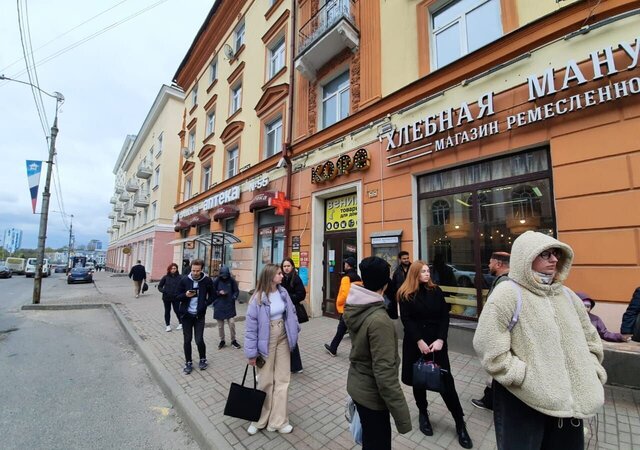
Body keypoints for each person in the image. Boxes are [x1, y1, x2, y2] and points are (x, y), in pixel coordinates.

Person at [474, 231, 606, 450]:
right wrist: (521, 377)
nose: (554, 259)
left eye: (555, 254)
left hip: (569, 408)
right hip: (522, 401)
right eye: (545, 254)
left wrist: (592, 371)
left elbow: (591, 338)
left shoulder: (568, 296)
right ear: (526, 257)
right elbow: (488, 344)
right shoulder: (508, 293)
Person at [398, 260, 472, 449]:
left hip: (437, 345)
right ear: (415, 274)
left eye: (428, 271)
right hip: (416, 344)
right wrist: (419, 341)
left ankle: (459, 422)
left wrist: (440, 339)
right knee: (418, 380)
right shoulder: (405, 294)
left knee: (446, 383)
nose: (427, 274)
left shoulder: (436, 291)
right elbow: (406, 320)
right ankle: (423, 414)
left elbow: (444, 316)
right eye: (423, 271)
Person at [344, 256, 411, 448]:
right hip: (373, 397)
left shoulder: (358, 305)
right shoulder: (379, 320)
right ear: (384, 284)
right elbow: (385, 374)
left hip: (358, 387)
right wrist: (403, 418)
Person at [245, 264, 300, 435]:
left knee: (283, 379)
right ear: (270, 276)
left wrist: (295, 328)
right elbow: (250, 329)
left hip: (283, 337)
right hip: (265, 341)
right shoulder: (257, 298)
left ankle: (278, 421)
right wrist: (251, 353)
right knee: (265, 380)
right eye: (278, 273)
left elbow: (291, 312)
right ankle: (259, 420)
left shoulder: (283, 293)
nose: (282, 275)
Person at [471, 252, 510, 411]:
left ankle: (492, 401)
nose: (488, 265)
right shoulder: (504, 280)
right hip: (500, 334)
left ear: (499, 264)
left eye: (490, 262)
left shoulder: (505, 283)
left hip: (500, 334)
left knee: (497, 367)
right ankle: (490, 398)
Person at [176, 259, 215, 375]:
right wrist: (185, 295)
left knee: (199, 340)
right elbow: (177, 296)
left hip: (199, 316)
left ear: (201, 269)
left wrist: (205, 304)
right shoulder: (184, 280)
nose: (195, 273)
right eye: (193, 270)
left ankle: (203, 359)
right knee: (187, 340)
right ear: (191, 269)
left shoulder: (207, 280)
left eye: (197, 271)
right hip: (186, 315)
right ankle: (188, 362)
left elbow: (213, 295)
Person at [324, 257, 361, 357]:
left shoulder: (346, 278)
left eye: (345, 264)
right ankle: (333, 348)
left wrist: (339, 303)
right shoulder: (358, 277)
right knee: (345, 330)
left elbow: (344, 295)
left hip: (346, 308)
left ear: (348, 265)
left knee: (342, 330)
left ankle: (334, 349)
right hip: (355, 306)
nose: (344, 265)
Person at [281, 257, 306, 374]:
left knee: (292, 337)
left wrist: (288, 298)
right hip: (282, 311)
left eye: (288, 266)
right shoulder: (281, 278)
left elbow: (301, 294)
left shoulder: (296, 278)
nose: (286, 268)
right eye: (284, 266)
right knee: (285, 338)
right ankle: (288, 364)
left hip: (292, 312)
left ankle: (296, 366)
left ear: (292, 267)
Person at [212, 265, 241, 349]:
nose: (224, 277)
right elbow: (212, 292)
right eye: (223, 276)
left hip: (229, 305)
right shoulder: (216, 281)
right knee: (220, 326)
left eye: (226, 275)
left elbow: (236, 291)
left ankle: (233, 340)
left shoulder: (232, 280)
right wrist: (218, 292)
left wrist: (234, 297)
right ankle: (222, 340)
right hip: (219, 305)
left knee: (232, 323)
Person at [384, 251, 412, 320]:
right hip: (402, 297)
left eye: (407, 258)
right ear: (400, 259)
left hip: (413, 295)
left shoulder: (413, 268)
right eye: (404, 259)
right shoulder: (397, 271)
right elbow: (394, 285)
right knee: (404, 316)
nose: (406, 260)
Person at [157, 263, 183, 332]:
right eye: (172, 268)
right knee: (167, 311)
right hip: (166, 297)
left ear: (177, 269)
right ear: (169, 269)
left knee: (177, 310)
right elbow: (159, 286)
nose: (173, 270)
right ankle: (167, 325)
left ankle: (181, 323)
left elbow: (183, 286)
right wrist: (164, 291)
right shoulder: (165, 277)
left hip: (176, 297)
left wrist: (181, 294)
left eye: (175, 268)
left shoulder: (180, 277)